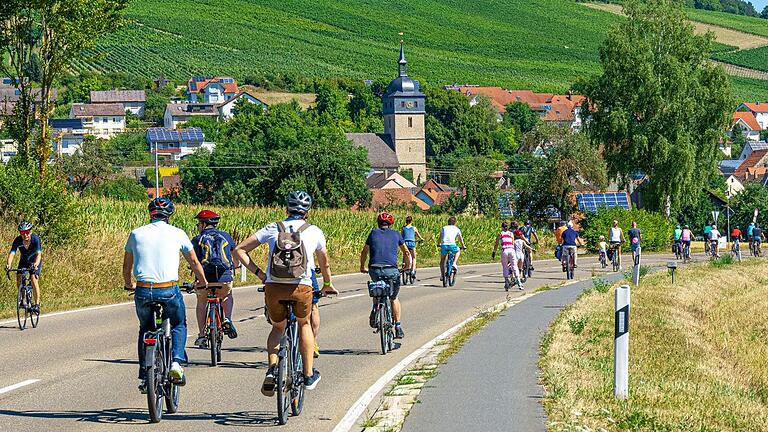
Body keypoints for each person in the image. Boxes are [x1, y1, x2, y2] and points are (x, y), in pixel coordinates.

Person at [233, 191, 337, 394]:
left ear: (286, 209)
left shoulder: (273, 228)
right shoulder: (314, 231)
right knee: (304, 323)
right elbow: (324, 261)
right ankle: (308, 375)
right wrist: (327, 283)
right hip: (302, 286)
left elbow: (239, 250)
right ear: (307, 212)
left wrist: (260, 274)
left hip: (274, 287)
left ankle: (272, 369)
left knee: (278, 328)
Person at [123, 197, 208, 393]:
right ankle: (176, 363)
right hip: (168, 288)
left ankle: (145, 375)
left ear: (150, 214)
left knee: (145, 328)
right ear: (169, 215)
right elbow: (194, 262)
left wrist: (129, 284)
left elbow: (127, 265)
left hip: (143, 289)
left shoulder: (136, 233)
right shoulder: (178, 233)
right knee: (178, 323)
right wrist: (202, 281)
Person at [191, 210, 239, 349]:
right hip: (223, 278)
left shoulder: (197, 239)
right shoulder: (226, 236)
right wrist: (235, 266)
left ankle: (201, 335)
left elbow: (193, 260)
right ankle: (227, 319)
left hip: (204, 279)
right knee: (227, 296)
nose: (198, 226)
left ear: (203, 224)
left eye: (199, 223)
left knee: (201, 302)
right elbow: (235, 257)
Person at [360, 212, 410, 338]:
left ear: (378, 223)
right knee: (393, 298)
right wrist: (407, 265)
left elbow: (364, 251)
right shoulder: (396, 234)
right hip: (391, 270)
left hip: (374, 269)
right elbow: (407, 252)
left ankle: (375, 308)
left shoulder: (373, 233)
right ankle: (398, 326)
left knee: (378, 290)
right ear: (391, 224)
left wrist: (362, 266)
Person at [6, 221, 43, 313]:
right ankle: (23, 299)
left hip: (35, 261)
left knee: (33, 278)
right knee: (18, 277)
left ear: (30, 231)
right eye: (22, 233)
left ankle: (37, 305)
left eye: (27, 232)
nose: (25, 235)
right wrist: (8, 264)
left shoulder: (35, 239)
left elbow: (39, 254)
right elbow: (12, 253)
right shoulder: (18, 240)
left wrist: (36, 264)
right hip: (24, 261)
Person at [439, 217, 466, 281]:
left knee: (442, 260)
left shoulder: (444, 228)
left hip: (444, 245)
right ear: (455, 223)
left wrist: (438, 243)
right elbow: (460, 239)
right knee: (458, 250)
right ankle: (454, 263)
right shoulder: (457, 229)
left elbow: (440, 237)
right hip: (452, 245)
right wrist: (463, 246)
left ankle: (442, 276)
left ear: (448, 222)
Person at [492, 222, 515, 290]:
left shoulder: (500, 234)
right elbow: (513, 243)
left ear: (502, 227)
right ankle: (513, 277)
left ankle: (506, 281)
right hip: (511, 250)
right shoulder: (511, 233)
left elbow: (496, 244)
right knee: (512, 264)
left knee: (505, 266)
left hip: (504, 250)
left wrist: (494, 252)